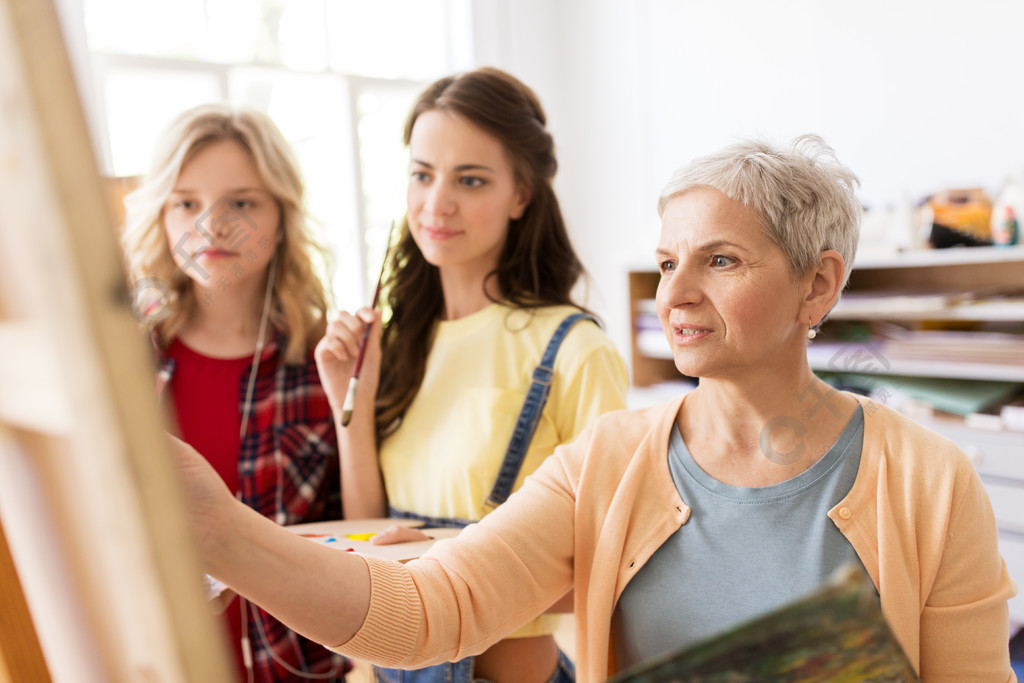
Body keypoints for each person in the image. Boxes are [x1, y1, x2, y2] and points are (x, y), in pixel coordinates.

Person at [173, 135, 1019, 682]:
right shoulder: (605, 463)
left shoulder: (929, 480)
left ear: (819, 283)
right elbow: (427, 612)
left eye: (719, 260)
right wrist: (223, 530)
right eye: (665, 262)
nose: (675, 294)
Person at [313, 67, 629, 683]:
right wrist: (349, 404)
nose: (437, 204)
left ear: (521, 195)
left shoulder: (574, 349)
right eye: (422, 175)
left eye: (471, 180)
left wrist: (439, 568)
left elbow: (615, 565)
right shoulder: (398, 339)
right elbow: (371, 530)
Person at [122, 104, 350, 682]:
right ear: (162, 216)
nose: (211, 226)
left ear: (280, 216)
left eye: (242, 202)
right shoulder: (122, 357)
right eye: (187, 203)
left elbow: (354, 533)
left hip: (294, 667)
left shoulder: (326, 361)